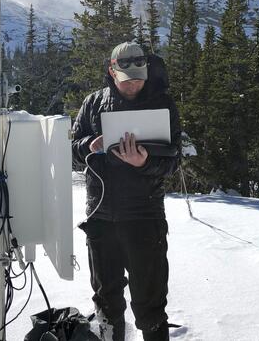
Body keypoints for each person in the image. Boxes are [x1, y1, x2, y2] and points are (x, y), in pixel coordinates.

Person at [71, 42, 181, 341]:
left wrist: (144, 162)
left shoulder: (162, 104)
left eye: (139, 79)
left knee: (150, 300)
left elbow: (172, 162)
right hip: (100, 215)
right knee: (106, 300)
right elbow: (72, 148)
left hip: (144, 215)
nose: (133, 85)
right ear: (112, 71)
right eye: (127, 79)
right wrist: (88, 145)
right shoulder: (93, 103)